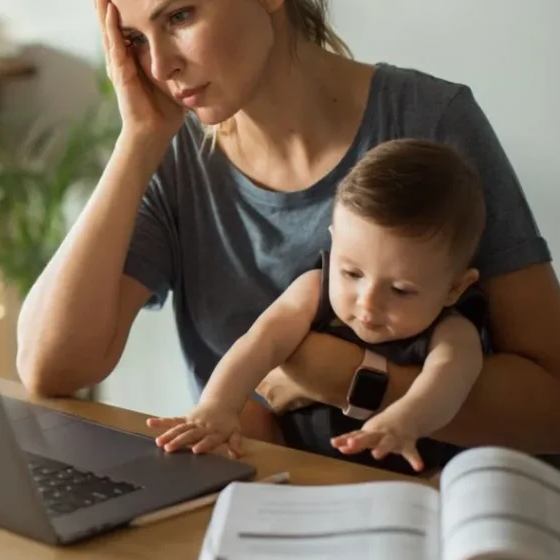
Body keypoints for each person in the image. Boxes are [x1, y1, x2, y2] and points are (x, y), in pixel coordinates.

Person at [16, 0, 560, 473]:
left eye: (181, 16)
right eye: (134, 38)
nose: (161, 65)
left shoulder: (430, 121)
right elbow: (50, 368)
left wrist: (334, 373)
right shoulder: (173, 154)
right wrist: (138, 139)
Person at [149, 138, 488, 474]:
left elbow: (447, 385)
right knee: (245, 420)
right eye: (351, 272)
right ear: (333, 242)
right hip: (294, 456)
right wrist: (217, 405)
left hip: (393, 476)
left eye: (400, 290)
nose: (367, 302)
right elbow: (262, 341)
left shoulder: (453, 332)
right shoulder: (314, 289)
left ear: (454, 288)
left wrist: (405, 421)